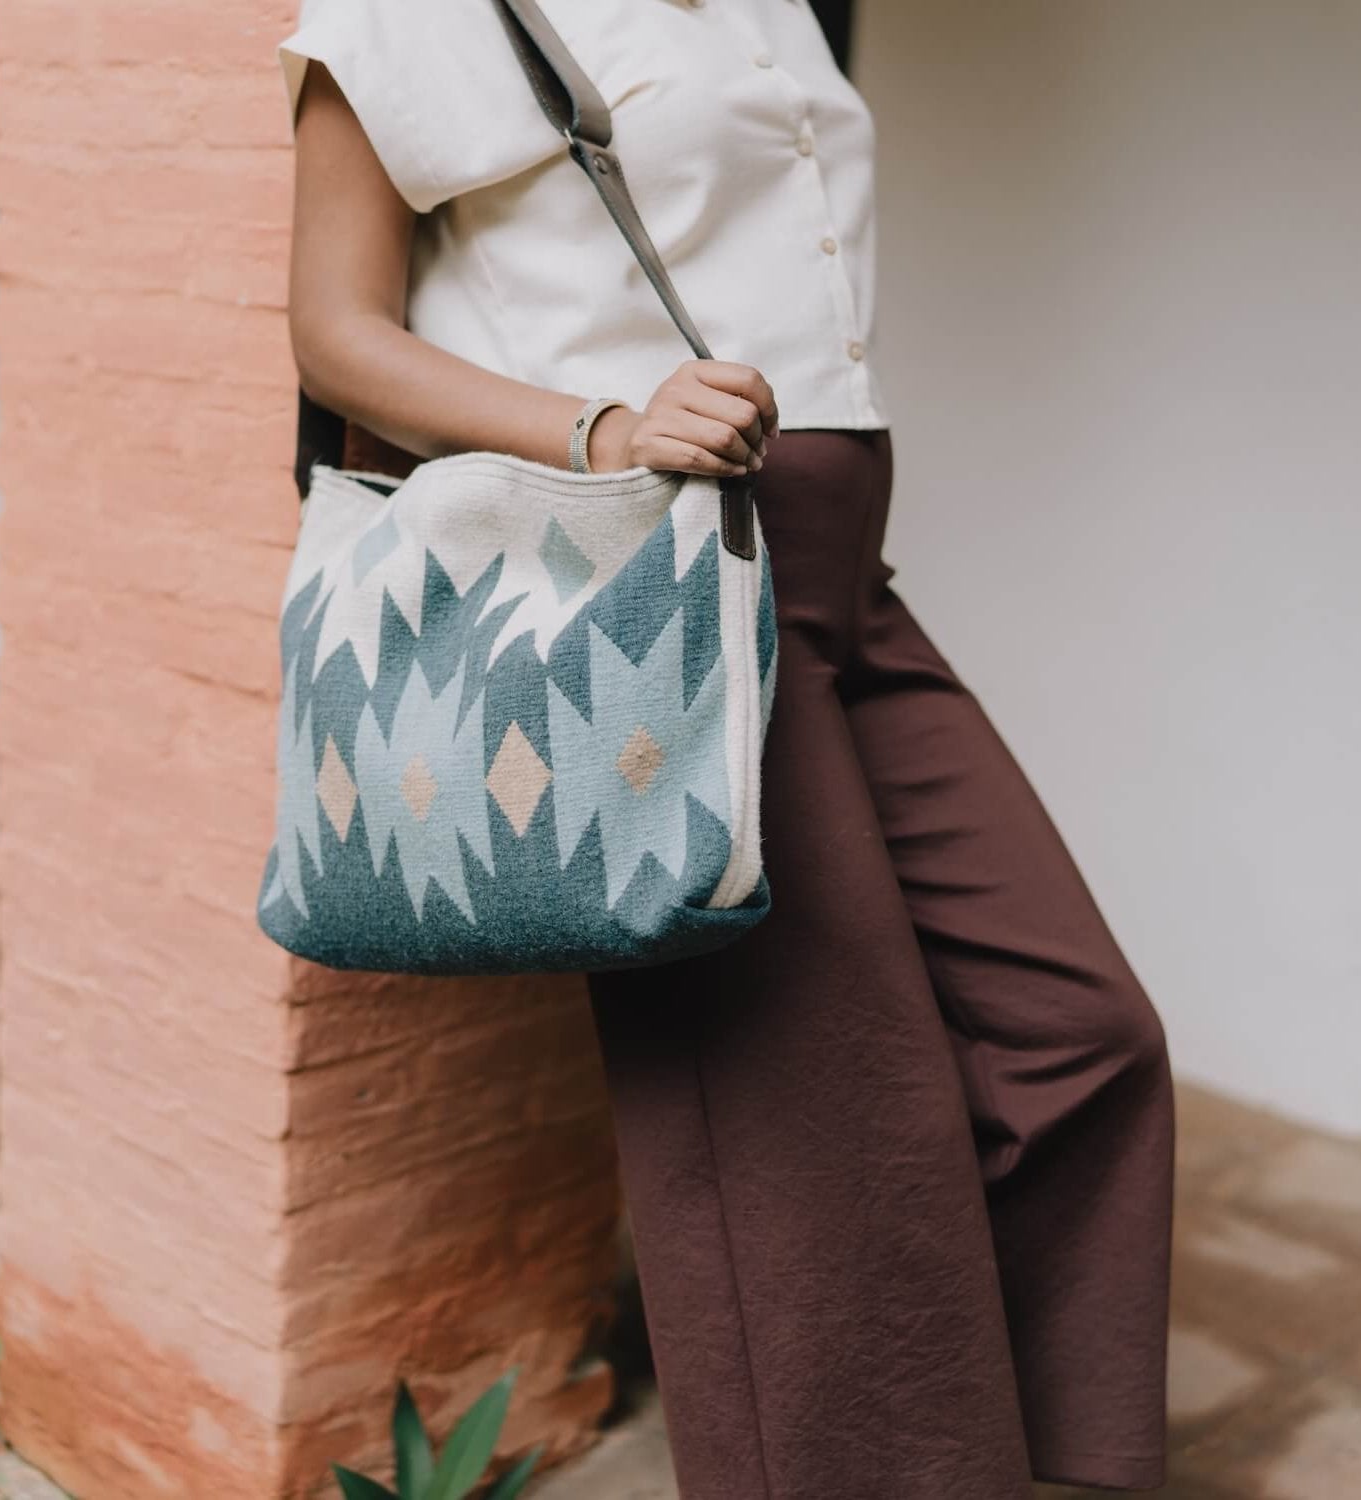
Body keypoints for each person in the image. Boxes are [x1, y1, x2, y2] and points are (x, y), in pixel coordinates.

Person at [278, 2, 1175, 1494]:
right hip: (650, 602)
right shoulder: (411, 12)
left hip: (828, 581)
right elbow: (337, 330)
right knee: (814, 1137)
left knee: (1077, 1032)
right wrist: (603, 427)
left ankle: (1038, 1458)